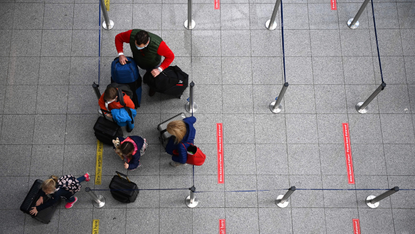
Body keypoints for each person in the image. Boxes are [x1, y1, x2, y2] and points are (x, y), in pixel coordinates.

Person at [115, 29, 175, 96]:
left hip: (153, 64)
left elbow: (170, 56)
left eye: (140, 47)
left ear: (147, 43)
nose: (138, 48)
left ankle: (152, 87)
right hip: (140, 60)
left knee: (154, 77)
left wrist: (159, 69)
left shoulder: (159, 45)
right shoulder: (131, 35)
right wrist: (121, 54)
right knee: (148, 72)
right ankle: (147, 75)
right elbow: (119, 37)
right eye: (136, 45)